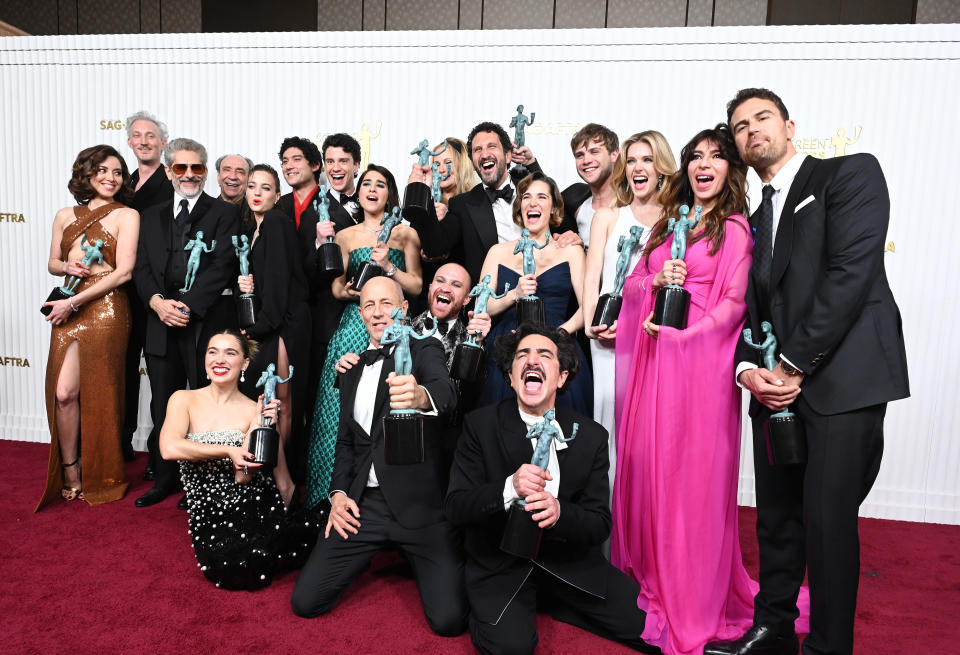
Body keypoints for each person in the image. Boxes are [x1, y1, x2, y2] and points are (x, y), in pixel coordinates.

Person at [705, 89, 909, 655]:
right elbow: (748, 304)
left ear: (791, 127)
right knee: (775, 518)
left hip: (843, 380)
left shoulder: (848, 175)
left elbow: (850, 275)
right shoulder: (750, 217)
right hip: (774, 391)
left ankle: (826, 647)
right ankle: (772, 630)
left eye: (762, 118)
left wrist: (793, 364)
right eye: (740, 126)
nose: (752, 131)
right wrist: (749, 369)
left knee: (827, 520)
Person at [611, 125, 763, 655]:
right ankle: (651, 575)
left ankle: (693, 596)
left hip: (699, 368)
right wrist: (651, 284)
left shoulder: (735, 231)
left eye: (716, 157)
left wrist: (686, 338)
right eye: (695, 156)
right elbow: (632, 284)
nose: (703, 165)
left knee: (690, 480)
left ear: (731, 170)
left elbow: (733, 307)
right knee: (650, 471)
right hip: (656, 362)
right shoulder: (667, 224)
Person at [444, 324, 659, 655]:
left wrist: (560, 512)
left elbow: (599, 523)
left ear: (561, 377)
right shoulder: (479, 425)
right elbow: (457, 507)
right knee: (512, 649)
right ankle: (503, 609)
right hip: (501, 565)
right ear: (511, 377)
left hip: (569, 563)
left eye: (544, 355)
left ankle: (553, 600)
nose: (532, 361)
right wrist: (508, 488)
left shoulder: (591, 436)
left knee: (652, 631)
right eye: (522, 356)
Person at [291, 277, 467, 638]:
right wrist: (338, 495)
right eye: (369, 305)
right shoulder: (352, 367)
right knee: (305, 602)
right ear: (360, 314)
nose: (377, 312)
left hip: (421, 510)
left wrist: (419, 397)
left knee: (449, 622)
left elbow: (445, 392)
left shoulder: (424, 347)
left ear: (403, 310)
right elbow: (346, 442)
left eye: (386, 303)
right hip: (364, 508)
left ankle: (416, 557)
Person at [158, 329, 317, 590]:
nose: (219, 359)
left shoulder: (252, 410)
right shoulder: (182, 399)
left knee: (250, 568)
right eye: (213, 352)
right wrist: (228, 451)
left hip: (252, 504)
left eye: (230, 353)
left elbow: (243, 476)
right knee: (225, 568)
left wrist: (257, 428)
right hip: (206, 516)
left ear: (244, 363)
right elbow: (169, 448)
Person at [306, 164, 422, 509]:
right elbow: (336, 287)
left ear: (390, 193)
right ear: (358, 192)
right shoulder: (345, 235)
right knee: (339, 410)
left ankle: (381, 495)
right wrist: (358, 293)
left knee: (389, 406)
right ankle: (330, 497)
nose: (372, 189)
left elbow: (416, 286)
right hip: (355, 325)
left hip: (394, 325)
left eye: (381, 184)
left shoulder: (405, 235)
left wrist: (388, 268)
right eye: (367, 183)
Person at [132, 137, 240, 508]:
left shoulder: (224, 213)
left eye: (196, 168)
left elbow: (222, 266)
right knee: (163, 402)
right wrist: (158, 303)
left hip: (203, 323)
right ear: (168, 171)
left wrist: (187, 307)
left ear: (206, 172)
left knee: (205, 402)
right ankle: (164, 479)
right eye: (181, 167)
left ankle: (198, 482)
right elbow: (142, 267)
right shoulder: (151, 216)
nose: (189, 175)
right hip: (160, 321)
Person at [37, 145, 140, 509]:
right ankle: (70, 468)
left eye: (117, 172)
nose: (111, 178)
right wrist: (67, 269)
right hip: (67, 302)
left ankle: (104, 472)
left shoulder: (127, 215)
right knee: (64, 393)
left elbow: (124, 273)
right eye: (103, 170)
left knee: (102, 392)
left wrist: (74, 302)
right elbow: (52, 260)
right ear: (87, 173)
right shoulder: (65, 214)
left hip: (105, 310)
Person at [581, 130, 676, 488]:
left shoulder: (675, 220)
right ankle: (609, 536)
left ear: (662, 167)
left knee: (649, 431)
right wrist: (593, 324)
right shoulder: (608, 216)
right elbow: (593, 279)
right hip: (606, 338)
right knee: (609, 427)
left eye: (648, 159)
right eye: (632, 159)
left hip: (652, 332)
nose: (638, 167)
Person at [476, 172, 592, 416]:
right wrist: (513, 295)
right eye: (526, 197)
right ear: (520, 207)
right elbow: (481, 307)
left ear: (553, 207)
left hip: (559, 348)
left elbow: (587, 308)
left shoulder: (570, 251)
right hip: (506, 350)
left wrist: (559, 335)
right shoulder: (498, 252)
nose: (533, 203)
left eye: (541, 197)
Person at [236, 163, 312, 509]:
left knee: (283, 406)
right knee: (275, 405)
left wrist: (253, 330)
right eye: (252, 186)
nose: (256, 192)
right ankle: (281, 481)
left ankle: (286, 484)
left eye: (266, 188)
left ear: (277, 196)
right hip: (276, 322)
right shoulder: (259, 228)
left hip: (285, 324)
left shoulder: (277, 223)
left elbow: (280, 290)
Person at [277, 135, 361, 446]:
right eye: (331, 162)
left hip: (347, 316)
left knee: (340, 399)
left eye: (343, 161)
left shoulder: (354, 204)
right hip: (307, 318)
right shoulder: (294, 208)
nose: (289, 166)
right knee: (304, 397)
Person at [409, 121, 543, 286]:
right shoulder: (462, 205)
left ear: (508, 156)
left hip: (542, 286)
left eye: (491, 146)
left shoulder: (531, 187)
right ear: (472, 163)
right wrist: (421, 190)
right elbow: (434, 247)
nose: (485, 154)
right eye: (478, 150)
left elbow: (558, 218)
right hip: (494, 299)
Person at [123, 110, 173, 464]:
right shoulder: (119, 184)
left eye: (150, 136)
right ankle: (121, 444)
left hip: (157, 295)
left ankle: (161, 456)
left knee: (162, 382)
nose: (143, 141)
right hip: (123, 294)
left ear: (163, 143)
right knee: (123, 374)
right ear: (129, 142)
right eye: (137, 136)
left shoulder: (172, 183)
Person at [558, 123, 621, 247]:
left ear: (614, 155)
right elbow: (545, 198)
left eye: (594, 152)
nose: (586, 161)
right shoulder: (576, 206)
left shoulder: (634, 205)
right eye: (580, 155)